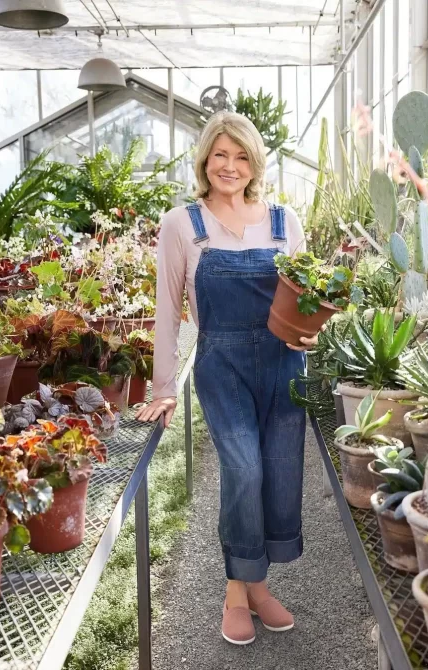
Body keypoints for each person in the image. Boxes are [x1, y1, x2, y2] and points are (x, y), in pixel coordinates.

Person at [136, 111, 322, 646]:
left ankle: (255, 586)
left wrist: (312, 336)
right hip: (223, 366)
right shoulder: (182, 224)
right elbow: (168, 312)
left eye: (242, 156)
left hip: (285, 364)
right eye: (221, 154)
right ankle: (238, 595)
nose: (230, 166)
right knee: (244, 470)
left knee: (281, 474)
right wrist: (164, 387)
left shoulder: (284, 221)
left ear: (255, 163)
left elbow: (307, 299)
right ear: (204, 159)